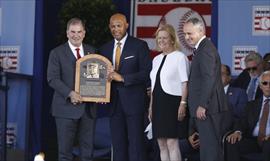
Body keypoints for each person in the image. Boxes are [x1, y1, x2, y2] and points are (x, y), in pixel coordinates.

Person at [99, 13, 152, 161]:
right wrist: (99, 92)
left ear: (126, 25)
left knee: (136, 145)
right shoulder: (104, 49)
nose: (116, 29)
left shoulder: (139, 45)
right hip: (114, 104)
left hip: (134, 103)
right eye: (113, 26)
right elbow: (100, 77)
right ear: (109, 27)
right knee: (117, 145)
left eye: (119, 25)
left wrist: (122, 78)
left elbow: (147, 73)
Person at [47, 18, 96, 161]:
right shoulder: (56, 53)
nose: (76, 35)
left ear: (84, 33)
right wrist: (70, 93)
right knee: (65, 154)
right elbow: (52, 79)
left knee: (88, 154)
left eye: (79, 32)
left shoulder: (92, 51)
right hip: (64, 110)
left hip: (88, 110)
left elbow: (96, 78)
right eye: (73, 32)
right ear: (67, 33)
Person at [183, 17, 230, 161]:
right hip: (205, 109)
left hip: (208, 109)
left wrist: (203, 104)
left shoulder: (206, 49)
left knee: (211, 152)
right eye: (185, 34)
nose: (186, 37)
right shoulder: (202, 48)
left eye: (190, 33)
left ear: (201, 31)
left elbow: (208, 78)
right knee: (207, 151)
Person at [148, 24, 189, 161]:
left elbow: (185, 83)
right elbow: (154, 87)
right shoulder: (156, 59)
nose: (161, 41)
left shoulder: (180, 57)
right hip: (158, 104)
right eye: (159, 38)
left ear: (172, 39)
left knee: (172, 142)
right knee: (161, 144)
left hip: (173, 103)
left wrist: (183, 104)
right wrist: (150, 107)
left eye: (164, 38)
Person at [225, 70, 270, 161]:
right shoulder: (252, 105)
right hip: (253, 140)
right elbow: (242, 121)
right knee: (232, 142)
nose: (268, 86)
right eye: (265, 83)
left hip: (269, 140)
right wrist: (237, 132)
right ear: (260, 86)